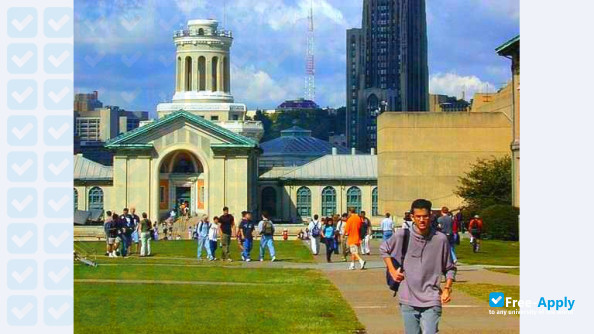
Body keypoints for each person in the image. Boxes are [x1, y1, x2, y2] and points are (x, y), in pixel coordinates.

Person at [380, 199, 456, 334]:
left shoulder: (440, 239)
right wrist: (392, 271)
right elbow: (384, 249)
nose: (422, 220)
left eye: (425, 216)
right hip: (407, 297)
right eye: (418, 216)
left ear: (431, 216)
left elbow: (450, 268)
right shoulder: (402, 235)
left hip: (431, 297)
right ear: (412, 217)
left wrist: (447, 289)